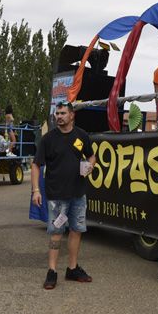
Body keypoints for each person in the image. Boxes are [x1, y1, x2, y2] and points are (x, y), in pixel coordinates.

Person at [31, 101, 96, 290]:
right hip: (56, 196)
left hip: (78, 194)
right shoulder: (48, 139)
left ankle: (72, 268)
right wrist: (36, 190)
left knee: (76, 230)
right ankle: (52, 271)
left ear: (72, 115)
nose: (59, 116)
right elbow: (36, 164)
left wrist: (90, 165)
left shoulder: (81, 136)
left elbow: (91, 156)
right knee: (56, 233)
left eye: (62, 113)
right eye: (57, 113)